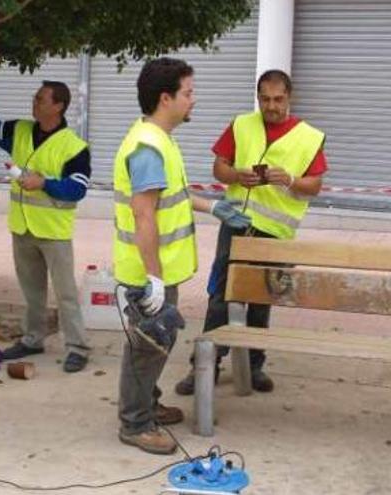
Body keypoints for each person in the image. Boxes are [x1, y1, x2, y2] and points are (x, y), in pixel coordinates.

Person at [112, 57, 252, 455]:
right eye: (188, 93)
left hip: (157, 271)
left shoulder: (159, 139)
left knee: (154, 343)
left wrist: (212, 207)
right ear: (165, 98)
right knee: (148, 345)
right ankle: (135, 423)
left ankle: (146, 404)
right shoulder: (147, 148)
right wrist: (153, 278)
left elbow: (170, 197)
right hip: (147, 274)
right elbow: (144, 214)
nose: (194, 100)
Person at [174, 69, 328, 396]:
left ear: (290, 97)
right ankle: (205, 366)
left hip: (275, 234)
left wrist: (289, 179)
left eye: (278, 99)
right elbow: (219, 167)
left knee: (261, 301)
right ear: (257, 97)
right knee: (221, 297)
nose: (271, 106)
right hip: (236, 226)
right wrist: (235, 176)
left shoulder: (308, 136)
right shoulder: (242, 124)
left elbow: (314, 185)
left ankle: (255, 365)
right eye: (265, 99)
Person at [0, 81, 93, 373]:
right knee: (32, 291)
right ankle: (33, 338)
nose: (34, 102)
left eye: (41, 99)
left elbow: (78, 189)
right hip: (22, 227)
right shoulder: (19, 130)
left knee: (65, 292)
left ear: (58, 106)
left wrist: (44, 183)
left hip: (54, 231)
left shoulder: (75, 147)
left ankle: (77, 347)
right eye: (35, 97)